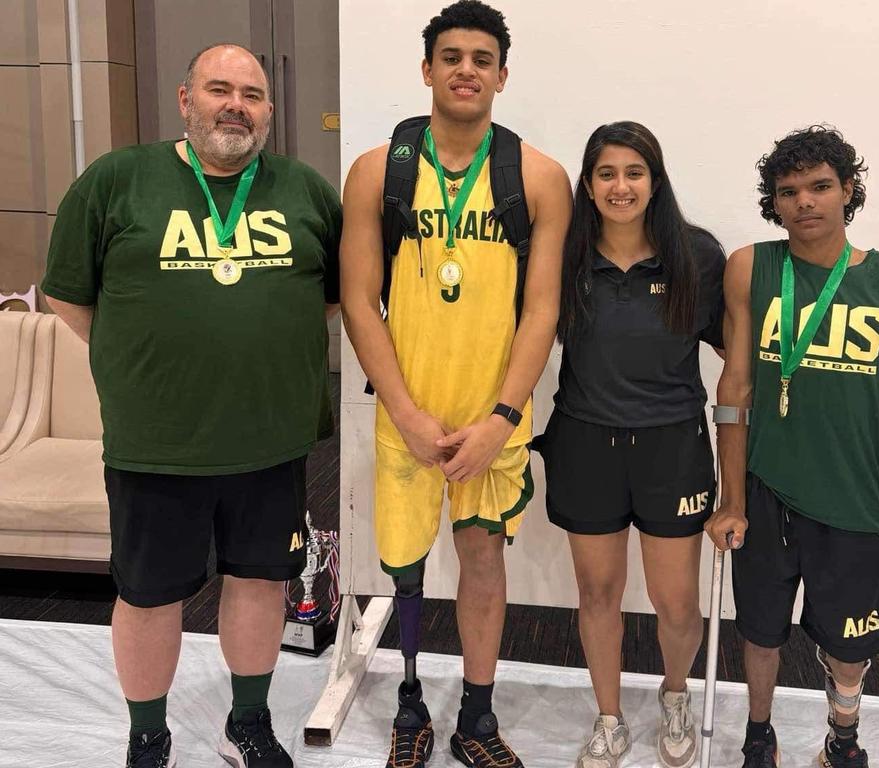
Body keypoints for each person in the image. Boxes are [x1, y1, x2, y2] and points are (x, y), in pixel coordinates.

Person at [41, 43, 342, 768]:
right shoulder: (118, 179)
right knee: (148, 595)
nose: (236, 104)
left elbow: (331, 300)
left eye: (253, 93)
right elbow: (67, 295)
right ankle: (148, 734)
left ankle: (248, 721)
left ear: (269, 111)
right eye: (219, 89)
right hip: (158, 441)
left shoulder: (302, 188)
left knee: (261, 583)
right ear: (186, 100)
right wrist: (145, 365)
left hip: (271, 437)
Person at [340, 2, 571, 767]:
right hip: (409, 415)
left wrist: (502, 418)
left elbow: (542, 310)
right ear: (427, 69)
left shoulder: (537, 176)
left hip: (489, 420)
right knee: (402, 563)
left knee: (481, 561)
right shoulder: (379, 169)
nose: (466, 69)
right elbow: (357, 299)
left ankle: (477, 713)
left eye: (481, 58)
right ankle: (410, 701)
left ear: (502, 74)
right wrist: (404, 411)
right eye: (451, 56)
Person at [705, 125, 879, 768]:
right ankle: (760, 731)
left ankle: (843, 728)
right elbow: (734, 389)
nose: (805, 203)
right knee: (759, 630)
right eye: (788, 192)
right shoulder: (751, 267)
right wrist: (731, 500)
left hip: (851, 496)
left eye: (820, 187)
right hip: (765, 488)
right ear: (774, 202)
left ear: (848, 191)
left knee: (851, 642)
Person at [535, 121, 725, 768]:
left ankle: (676, 696)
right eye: (607, 174)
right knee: (598, 594)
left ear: (655, 180)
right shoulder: (562, 255)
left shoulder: (696, 256)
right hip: (586, 442)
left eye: (634, 172)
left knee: (676, 603)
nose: (621, 186)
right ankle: (609, 718)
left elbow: (740, 354)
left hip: (672, 446)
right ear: (587, 185)